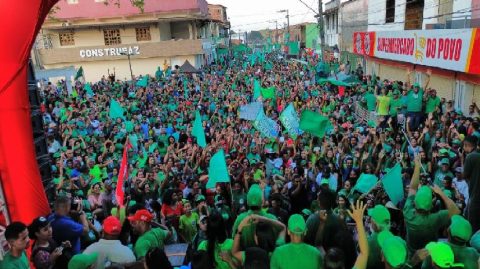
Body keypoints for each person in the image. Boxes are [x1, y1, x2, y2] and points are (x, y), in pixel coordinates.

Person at [403, 156, 460, 255]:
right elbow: (456, 211)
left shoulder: (407, 211)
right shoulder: (434, 219)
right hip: (429, 255)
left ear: (415, 202)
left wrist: (417, 166)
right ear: (431, 205)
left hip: (411, 253)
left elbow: (412, 188)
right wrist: (441, 193)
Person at [231, 184, 277, 249]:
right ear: (262, 200)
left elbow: (234, 240)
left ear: (247, 201)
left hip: (245, 257)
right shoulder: (272, 218)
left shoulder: (240, 219)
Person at [462, 135, 480, 232]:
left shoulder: (471, 157)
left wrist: (462, 160)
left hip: (475, 197)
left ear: (466, 145)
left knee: (472, 227)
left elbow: (464, 175)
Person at [366, 205, 391, 269]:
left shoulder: (370, 242)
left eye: (372, 217)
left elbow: (368, 264)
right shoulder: (394, 238)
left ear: (374, 223)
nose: (370, 219)